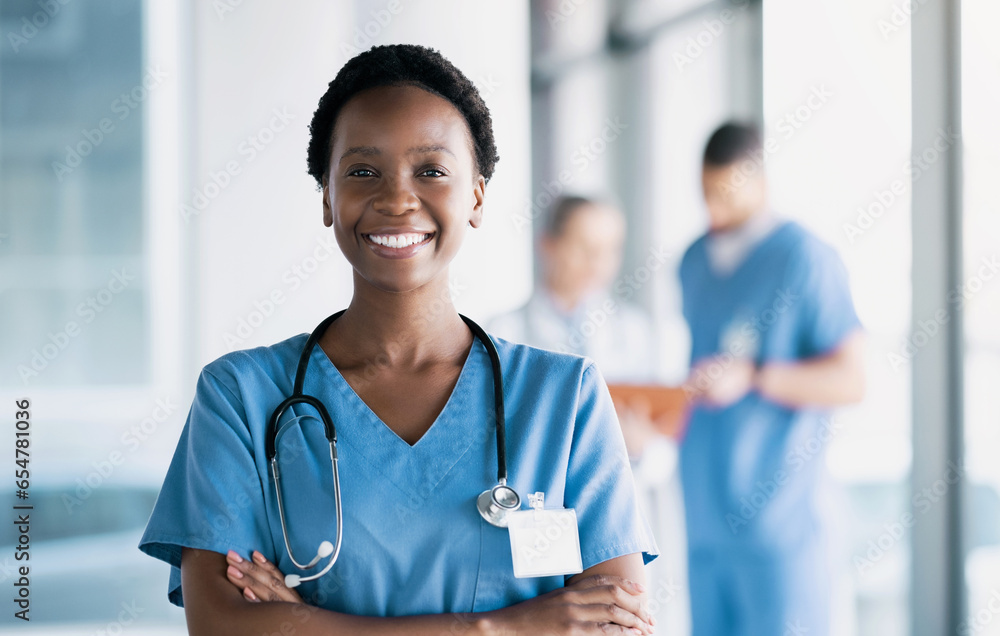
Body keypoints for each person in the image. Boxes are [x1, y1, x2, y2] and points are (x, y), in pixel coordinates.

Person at [138, 44, 659, 636]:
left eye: (432, 170)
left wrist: (305, 622)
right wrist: (507, 627)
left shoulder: (564, 399)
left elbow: (618, 625)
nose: (396, 198)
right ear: (328, 198)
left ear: (477, 197)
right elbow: (224, 627)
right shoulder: (240, 396)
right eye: (362, 172)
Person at [678, 121, 866, 636]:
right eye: (706, 193)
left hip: (780, 528)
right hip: (704, 518)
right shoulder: (693, 262)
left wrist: (755, 377)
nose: (713, 209)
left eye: (726, 194)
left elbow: (852, 380)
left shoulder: (805, 259)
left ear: (760, 182)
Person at [490, 195, 690, 633]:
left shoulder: (639, 335)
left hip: (616, 522)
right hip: (535, 520)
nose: (598, 263)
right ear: (548, 245)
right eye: (585, 246)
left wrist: (638, 447)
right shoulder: (500, 335)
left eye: (609, 249)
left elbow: (666, 448)